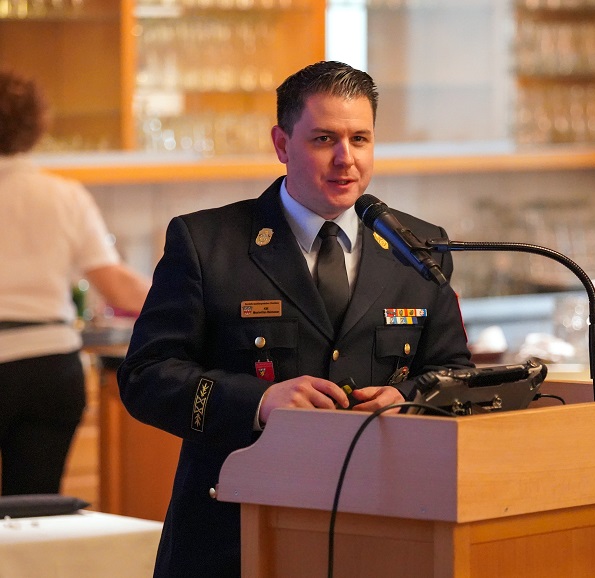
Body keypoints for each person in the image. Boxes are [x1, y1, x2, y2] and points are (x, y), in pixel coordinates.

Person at [117, 60, 472, 577]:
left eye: (360, 139)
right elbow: (145, 377)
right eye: (324, 139)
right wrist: (259, 402)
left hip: (380, 529)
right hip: (234, 533)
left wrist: (407, 399)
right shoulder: (207, 243)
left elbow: (453, 373)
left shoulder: (417, 247)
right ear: (282, 144)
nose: (345, 158)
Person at [0, 70, 150, 496]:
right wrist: (197, 301)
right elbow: (117, 286)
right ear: (37, 124)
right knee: (36, 504)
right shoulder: (64, 196)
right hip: (49, 365)